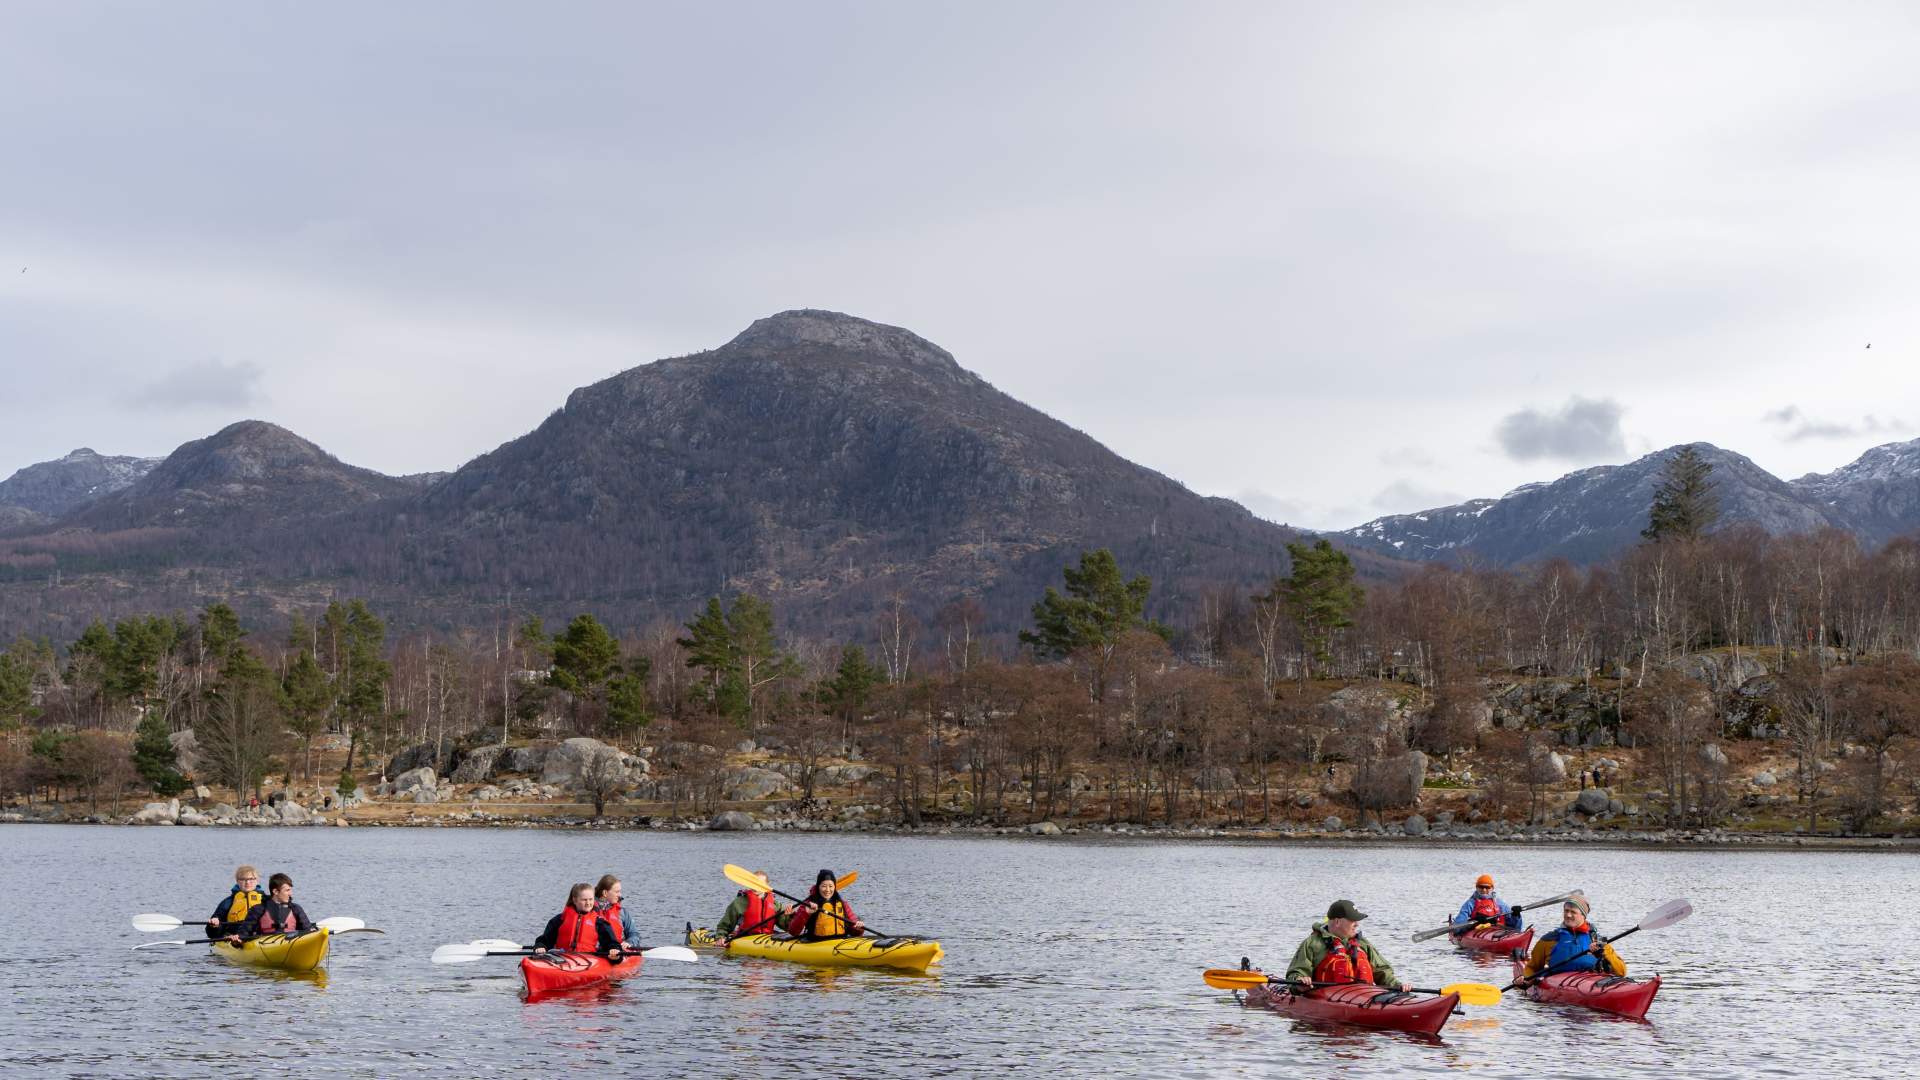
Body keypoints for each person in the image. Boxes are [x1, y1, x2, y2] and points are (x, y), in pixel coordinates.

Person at [1282, 900, 1409, 993]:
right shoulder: (1313, 944)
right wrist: (1300, 981)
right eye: (1352, 920)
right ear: (1337, 922)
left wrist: (1398, 986)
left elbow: (1382, 972)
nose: (1357, 924)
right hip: (1327, 998)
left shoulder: (1363, 944)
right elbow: (1296, 973)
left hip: (1364, 996)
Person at [1514, 893, 1625, 982]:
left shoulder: (1597, 940)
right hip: (1557, 984)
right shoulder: (1549, 939)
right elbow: (1532, 968)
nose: (1568, 915)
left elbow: (1621, 972)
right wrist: (1525, 980)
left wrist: (1604, 949)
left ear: (1583, 915)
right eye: (1566, 911)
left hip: (1590, 982)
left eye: (1573, 912)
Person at [534, 882, 623, 959]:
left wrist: (614, 952)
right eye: (584, 900)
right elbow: (545, 940)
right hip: (562, 957)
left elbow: (612, 943)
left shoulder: (599, 922)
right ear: (575, 900)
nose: (588, 903)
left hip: (589, 959)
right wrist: (540, 946)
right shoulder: (559, 920)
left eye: (591, 899)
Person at [229, 872, 316, 941]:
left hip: (291, 941)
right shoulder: (258, 909)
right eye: (287, 890)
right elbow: (244, 934)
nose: (290, 894)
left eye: (290, 890)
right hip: (264, 944)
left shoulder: (296, 909)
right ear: (275, 891)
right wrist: (237, 940)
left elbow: (307, 930)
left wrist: (312, 932)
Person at [785, 869, 863, 941]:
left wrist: (859, 928)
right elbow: (793, 932)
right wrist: (806, 913)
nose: (827, 890)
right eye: (824, 886)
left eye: (830, 886)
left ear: (835, 887)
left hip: (841, 940)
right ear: (818, 887)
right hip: (817, 942)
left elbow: (856, 932)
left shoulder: (842, 904)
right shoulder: (808, 904)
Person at [717, 870, 788, 939]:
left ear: (767, 885)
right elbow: (725, 925)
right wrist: (721, 937)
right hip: (745, 937)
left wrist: (790, 915)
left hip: (767, 937)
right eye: (754, 883)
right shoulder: (739, 902)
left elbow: (787, 927)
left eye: (759, 884)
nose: (756, 886)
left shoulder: (775, 904)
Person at [205, 865, 265, 940]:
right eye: (243, 879)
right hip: (233, 936)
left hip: (259, 936)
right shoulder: (228, 902)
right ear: (237, 881)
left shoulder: (266, 900)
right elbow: (211, 934)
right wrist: (214, 926)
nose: (247, 882)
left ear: (257, 881)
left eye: (251, 879)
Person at [1452, 874, 1522, 931]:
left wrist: (1516, 915)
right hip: (1477, 930)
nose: (1484, 890)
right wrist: (1474, 921)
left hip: (1497, 930)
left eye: (1487, 887)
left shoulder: (1500, 904)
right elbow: (1457, 926)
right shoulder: (1470, 903)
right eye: (1481, 887)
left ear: (1492, 888)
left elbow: (1516, 927)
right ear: (1476, 887)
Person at [594, 874, 639, 950]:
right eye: (617, 892)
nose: (620, 895)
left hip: (617, 951)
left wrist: (629, 942)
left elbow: (634, 934)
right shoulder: (589, 909)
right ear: (605, 893)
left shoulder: (622, 912)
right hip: (595, 953)